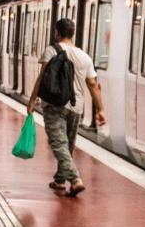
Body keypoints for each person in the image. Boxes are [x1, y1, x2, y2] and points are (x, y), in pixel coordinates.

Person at [26, 18, 105, 198]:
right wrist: (100, 109)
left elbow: (41, 78)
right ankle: (60, 180)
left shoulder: (51, 50)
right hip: (76, 107)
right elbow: (93, 84)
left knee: (58, 144)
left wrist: (32, 100)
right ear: (73, 33)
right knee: (67, 144)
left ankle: (75, 179)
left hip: (54, 104)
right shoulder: (84, 56)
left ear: (57, 32)